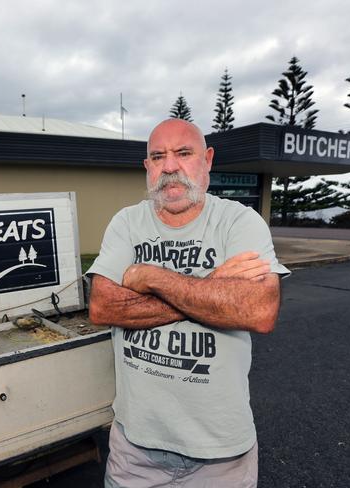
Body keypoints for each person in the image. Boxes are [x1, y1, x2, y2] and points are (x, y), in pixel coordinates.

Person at [87, 118, 290, 487]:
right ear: (147, 166)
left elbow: (259, 310)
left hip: (220, 458)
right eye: (158, 156)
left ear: (208, 159)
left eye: (183, 153)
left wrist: (150, 278)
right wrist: (213, 288)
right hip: (136, 453)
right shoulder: (127, 223)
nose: (170, 166)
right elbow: (104, 307)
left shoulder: (238, 222)